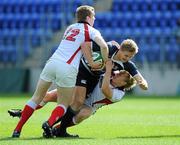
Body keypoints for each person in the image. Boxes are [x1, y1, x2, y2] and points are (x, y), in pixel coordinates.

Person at [12, 5, 109, 138]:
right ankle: (49, 124)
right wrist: (103, 61)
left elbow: (82, 46)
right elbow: (103, 46)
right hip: (67, 68)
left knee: (36, 98)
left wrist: (91, 62)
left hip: (51, 62)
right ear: (88, 17)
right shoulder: (91, 30)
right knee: (64, 103)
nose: (94, 19)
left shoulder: (70, 28)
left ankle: (17, 130)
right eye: (93, 17)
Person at [8, 60, 136, 138]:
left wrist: (108, 70)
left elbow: (104, 89)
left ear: (123, 83)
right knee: (47, 96)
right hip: (78, 92)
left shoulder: (119, 94)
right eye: (117, 72)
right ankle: (23, 113)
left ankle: (57, 129)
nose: (116, 73)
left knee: (84, 114)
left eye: (119, 74)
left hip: (89, 105)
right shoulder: (107, 74)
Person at [55, 39, 148, 137]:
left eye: (131, 57)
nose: (128, 58)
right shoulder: (108, 49)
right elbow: (86, 45)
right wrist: (91, 61)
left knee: (78, 108)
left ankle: (55, 128)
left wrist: (143, 84)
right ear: (120, 49)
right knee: (57, 97)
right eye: (126, 55)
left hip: (91, 84)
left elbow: (142, 80)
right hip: (82, 73)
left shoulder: (127, 65)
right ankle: (51, 124)